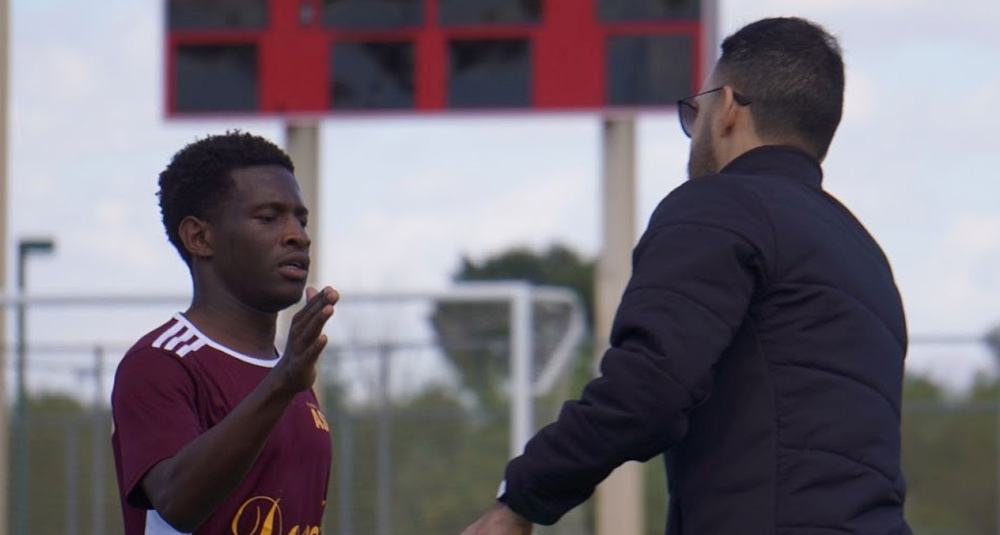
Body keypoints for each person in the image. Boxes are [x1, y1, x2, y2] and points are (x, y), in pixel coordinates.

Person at [460, 17, 910, 535]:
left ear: (728, 110)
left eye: (693, 112)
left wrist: (520, 500)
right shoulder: (865, 257)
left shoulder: (721, 205)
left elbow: (646, 390)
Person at [110, 131, 339, 535]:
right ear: (200, 237)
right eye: (268, 218)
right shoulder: (160, 363)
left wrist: (285, 377)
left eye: (300, 219)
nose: (297, 235)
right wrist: (283, 382)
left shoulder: (287, 372)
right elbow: (178, 502)